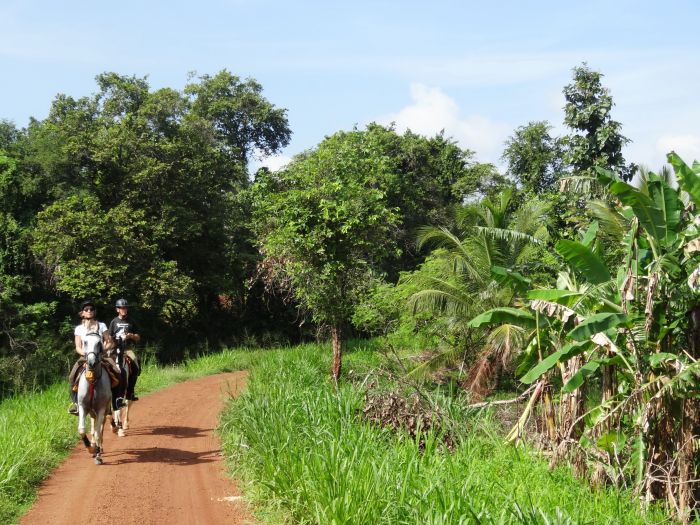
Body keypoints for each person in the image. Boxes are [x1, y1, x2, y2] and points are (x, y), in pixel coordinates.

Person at [68, 299, 121, 415]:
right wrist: (86, 354)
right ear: (82, 313)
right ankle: (75, 404)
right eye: (86, 309)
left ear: (94, 312)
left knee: (117, 371)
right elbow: (77, 346)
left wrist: (103, 350)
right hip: (85, 357)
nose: (89, 311)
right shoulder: (79, 329)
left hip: (100, 356)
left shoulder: (101, 326)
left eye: (91, 309)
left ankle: (116, 400)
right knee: (72, 376)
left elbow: (109, 341)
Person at [108, 298, 141, 402]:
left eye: (126, 308)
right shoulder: (114, 322)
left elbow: (138, 337)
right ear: (117, 309)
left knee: (136, 366)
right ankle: (109, 390)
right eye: (122, 308)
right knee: (106, 365)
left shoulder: (131, 321)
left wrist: (131, 335)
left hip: (127, 349)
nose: (124, 310)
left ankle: (130, 391)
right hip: (115, 349)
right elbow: (109, 337)